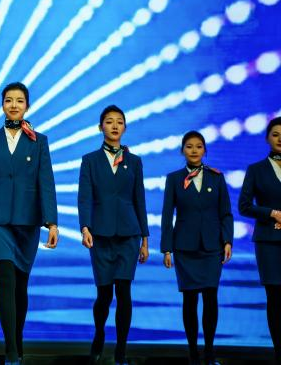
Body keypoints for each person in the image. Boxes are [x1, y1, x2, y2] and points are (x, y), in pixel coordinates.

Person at [0, 82, 59, 365]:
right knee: (5, 278)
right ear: (3, 105)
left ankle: (17, 343)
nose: (14, 105)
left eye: (20, 100)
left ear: (27, 106)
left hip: (27, 221)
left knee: (20, 284)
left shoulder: (39, 141)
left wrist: (52, 223)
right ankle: (10, 351)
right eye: (9, 100)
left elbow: (46, 182)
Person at [78, 105, 149, 365]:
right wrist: (85, 227)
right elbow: (84, 197)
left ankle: (121, 350)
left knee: (124, 291)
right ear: (101, 127)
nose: (115, 125)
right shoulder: (90, 160)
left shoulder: (135, 162)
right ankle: (99, 334)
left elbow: (139, 200)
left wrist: (145, 240)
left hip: (129, 235)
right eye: (109, 121)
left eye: (119, 121)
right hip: (100, 235)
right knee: (105, 294)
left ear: (125, 128)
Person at [161, 130, 233, 365]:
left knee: (211, 297)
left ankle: (210, 352)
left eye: (199, 146)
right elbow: (166, 216)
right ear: (182, 150)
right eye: (189, 146)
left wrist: (228, 240)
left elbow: (225, 213)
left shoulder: (216, 177)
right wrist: (167, 249)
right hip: (185, 248)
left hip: (212, 247)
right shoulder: (174, 179)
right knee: (190, 299)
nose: (194, 150)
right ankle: (193, 352)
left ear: (205, 150)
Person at [239, 116, 281, 364]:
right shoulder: (256, 169)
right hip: (268, 243)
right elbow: (244, 206)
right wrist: (271, 213)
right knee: (275, 298)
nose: (280, 138)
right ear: (267, 138)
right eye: (275, 134)